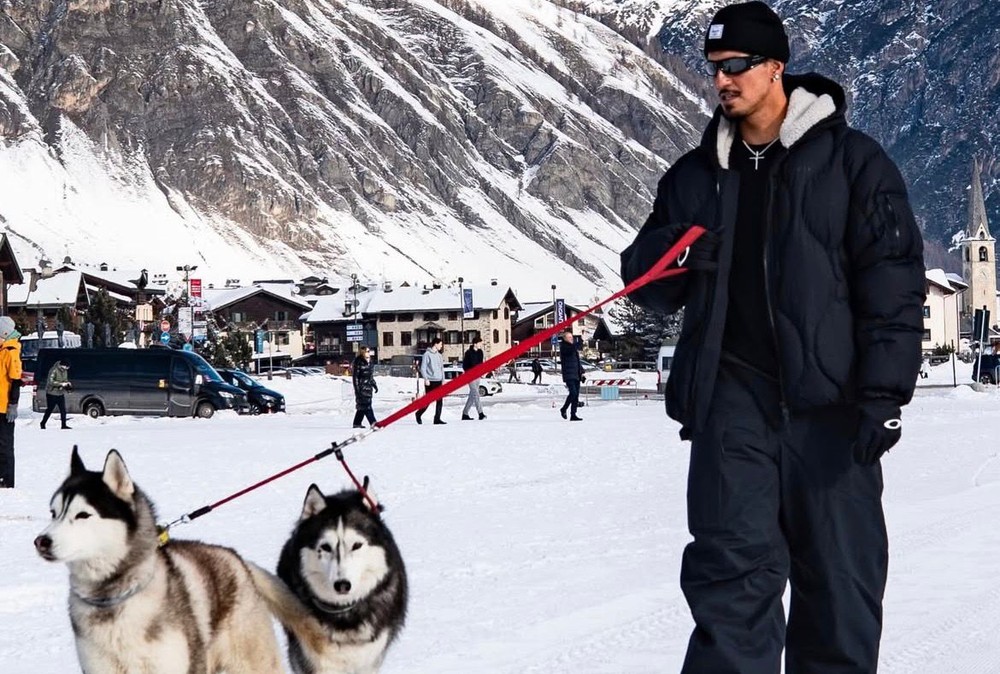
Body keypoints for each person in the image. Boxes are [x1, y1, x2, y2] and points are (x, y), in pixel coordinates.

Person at [619, 3, 925, 672]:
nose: (721, 82)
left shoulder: (854, 165)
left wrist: (883, 395)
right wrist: (668, 253)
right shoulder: (695, 177)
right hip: (734, 409)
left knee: (840, 590)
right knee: (731, 586)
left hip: (834, 412)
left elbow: (894, 285)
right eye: (713, 70)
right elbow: (642, 283)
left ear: (775, 67)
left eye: (735, 68)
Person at [0, 316, 22, 488]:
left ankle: (7, 481)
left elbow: (15, 380)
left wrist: (13, 405)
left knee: (5, 445)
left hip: (4, 407)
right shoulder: (2, 349)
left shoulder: (11, 350)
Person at [415, 337, 445, 425]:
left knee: (440, 400)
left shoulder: (439, 356)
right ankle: (418, 414)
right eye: (440, 344)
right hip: (430, 381)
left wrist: (443, 380)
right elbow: (423, 368)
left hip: (439, 380)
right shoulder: (427, 354)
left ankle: (437, 419)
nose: (441, 346)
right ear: (435, 344)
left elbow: (441, 368)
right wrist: (426, 379)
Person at [558, 331, 583, 421]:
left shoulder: (573, 348)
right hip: (569, 374)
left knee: (576, 395)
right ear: (565, 339)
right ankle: (564, 409)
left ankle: (573, 414)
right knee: (573, 393)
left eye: (572, 337)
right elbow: (571, 349)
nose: (571, 339)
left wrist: (582, 372)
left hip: (576, 374)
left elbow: (577, 362)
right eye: (569, 337)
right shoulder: (564, 347)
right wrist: (579, 343)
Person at [40, 360, 72, 430]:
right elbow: (50, 381)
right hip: (51, 393)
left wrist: (67, 384)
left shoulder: (65, 371)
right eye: (66, 367)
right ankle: (43, 423)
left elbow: (65, 379)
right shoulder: (54, 370)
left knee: (63, 409)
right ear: (62, 365)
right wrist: (60, 384)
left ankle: (64, 425)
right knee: (50, 409)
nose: (67, 369)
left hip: (60, 393)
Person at [351, 346, 378, 429]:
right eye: (367, 351)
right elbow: (355, 377)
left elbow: (370, 376)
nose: (369, 352)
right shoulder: (358, 361)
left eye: (369, 351)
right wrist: (357, 389)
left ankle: (357, 422)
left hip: (368, 387)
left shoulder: (370, 362)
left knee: (362, 407)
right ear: (363, 352)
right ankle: (373, 422)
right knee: (367, 405)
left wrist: (374, 384)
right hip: (362, 387)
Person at [461, 337, 487, 421]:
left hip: (477, 375)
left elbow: (481, 364)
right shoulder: (468, 353)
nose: (481, 345)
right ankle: (481, 413)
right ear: (475, 344)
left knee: (472, 395)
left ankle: (465, 414)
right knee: (476, 393)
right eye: (480, 343)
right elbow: (464, 365)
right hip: (470, 376)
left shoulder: (480, 352)